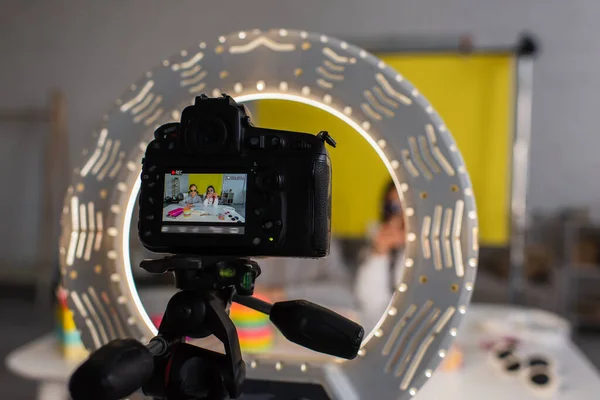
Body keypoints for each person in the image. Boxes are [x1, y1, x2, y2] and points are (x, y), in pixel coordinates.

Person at [354, 180, 406, 330]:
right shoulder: (376, 244)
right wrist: (380, 253)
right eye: (393, 207)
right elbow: (369, 304)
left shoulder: (431, 251)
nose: (398, 216)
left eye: (406, 207)